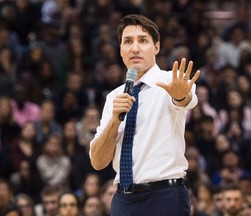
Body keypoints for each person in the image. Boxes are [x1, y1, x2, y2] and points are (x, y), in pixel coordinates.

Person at [89, 14, 200, 216]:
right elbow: (98, 162)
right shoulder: (114, 97)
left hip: (165, 196)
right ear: (121, 49)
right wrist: (115, 120)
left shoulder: (171, 81)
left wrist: (181, 95)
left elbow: (186, 99)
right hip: (122, 199)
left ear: (156, 47)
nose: (135, 48)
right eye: (128, 41)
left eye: (143, 40)